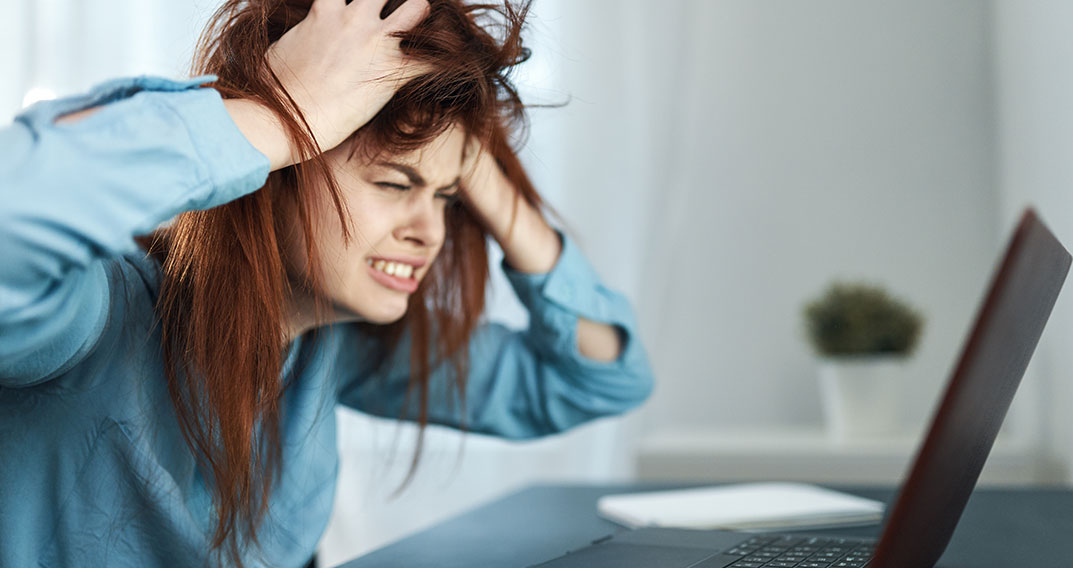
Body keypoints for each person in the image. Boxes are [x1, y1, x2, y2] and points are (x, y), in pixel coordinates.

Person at [0, 0, 653, 565]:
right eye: (396, 183)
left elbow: (598, 376)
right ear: (278, 167)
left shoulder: (337, 347)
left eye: (450, 200)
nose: (431, 232)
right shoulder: (95, 321)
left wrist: (483, 173)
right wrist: (277, 113)